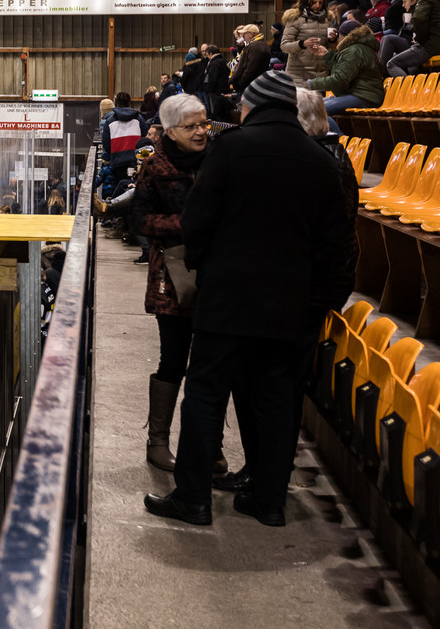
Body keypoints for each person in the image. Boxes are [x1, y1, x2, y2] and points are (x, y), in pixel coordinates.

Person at [144, 71, 351, 528]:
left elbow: (197, 220)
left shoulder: (230, 148)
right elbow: (334, 242)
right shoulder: (319, 160)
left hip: (227, 296)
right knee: (276, 398)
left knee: (205, 392)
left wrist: (204, 265)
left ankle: (193, 499)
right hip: (289, 301)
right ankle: (269, 501)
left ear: (252, 107)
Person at [131, 94, 226, 475]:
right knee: (173, 359)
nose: (201, 132)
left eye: (204, 124)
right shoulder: (154, 167)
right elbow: (140, 219)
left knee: (213, 364)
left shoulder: (220, 159)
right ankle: (158, 442)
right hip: (172, 277)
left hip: (219, 273)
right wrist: (186, 225)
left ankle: (210, 446)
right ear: (170, 131)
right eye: (191, 127)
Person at [306, 23, 385, 131]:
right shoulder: (357, 48)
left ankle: (339, 140)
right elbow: (343, 70)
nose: (338, 38)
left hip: (364, 96)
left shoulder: (354, 51)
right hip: (360, 94)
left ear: (344, 36)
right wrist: (326, 54)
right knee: (311, 105)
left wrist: (312, 83)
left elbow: (340, 80)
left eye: (339, 35)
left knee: (316, 110)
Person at [386, 0, 440, 76]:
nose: (403, 5)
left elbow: (420, 19)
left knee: (391, 64)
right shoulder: (436, 0)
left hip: (431, 46)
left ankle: (405, 87)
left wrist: (420, 40)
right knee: (411, 64)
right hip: (434, 43)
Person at [280, 0, 333, 84]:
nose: (317, 6)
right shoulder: (295, 19)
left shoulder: (328, 20)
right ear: (307, 1)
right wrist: (302, 44)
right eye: (314, 2)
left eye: (320, 3)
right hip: (298, 75)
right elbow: (284, 46)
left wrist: (333, 40)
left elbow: (333, 48)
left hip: (321, 75)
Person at [99, 91, 145, 188]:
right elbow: (145, 139)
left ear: (116, 103)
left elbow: (106, 145)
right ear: (129, 103)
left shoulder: (109, 122)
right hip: (136, 162)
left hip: (117, 163)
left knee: (120, 189)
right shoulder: (139, 119)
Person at [229, 24, 270, 96]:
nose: (243, 37)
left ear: (251, 34)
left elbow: (250, 68)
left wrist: (241, 82)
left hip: (250, 85)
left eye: (244, 35)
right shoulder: (257, 44)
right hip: (252, 84)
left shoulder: (256, 46)